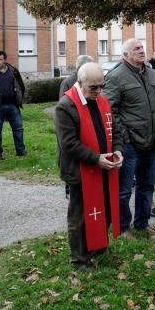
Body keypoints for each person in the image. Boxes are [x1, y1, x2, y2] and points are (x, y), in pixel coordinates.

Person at [54, 62, 123, 268]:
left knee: (106, 210)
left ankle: (99, 245)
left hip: (104, 166)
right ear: (80, 82)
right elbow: (69, 143)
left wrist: (118, 149)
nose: (99, 91)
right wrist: (96, 159)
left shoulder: (102, 101)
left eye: (102, 86)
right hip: (80, 171)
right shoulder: (66, 106)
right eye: (94, 87)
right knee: (80, 216)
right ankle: (80, 258)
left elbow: (115, 129)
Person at [103, 39, 155, 238]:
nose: (141, 51)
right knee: (124, 190)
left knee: (147, 186)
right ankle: (122, 227)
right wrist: (124, 136)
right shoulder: (116, 76)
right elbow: (109, 109)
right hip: (130, 145)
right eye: (136, 48)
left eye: (142, 47)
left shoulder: (152, 73)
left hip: (152, 141)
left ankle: (142, 223)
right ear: (125, 55)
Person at [59, 54, 95, 198]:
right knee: (73, 162)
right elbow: (65, 107)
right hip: (75, 128)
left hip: (88, 128)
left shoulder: (92, 82)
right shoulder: (68, 82)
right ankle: (69, 188)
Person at [0, 50, 26, 159]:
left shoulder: (13, 71)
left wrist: (19, 98)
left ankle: (20, 151)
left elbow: (21, 85)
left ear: (5, 60)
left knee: (18, 128)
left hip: (12, 104)